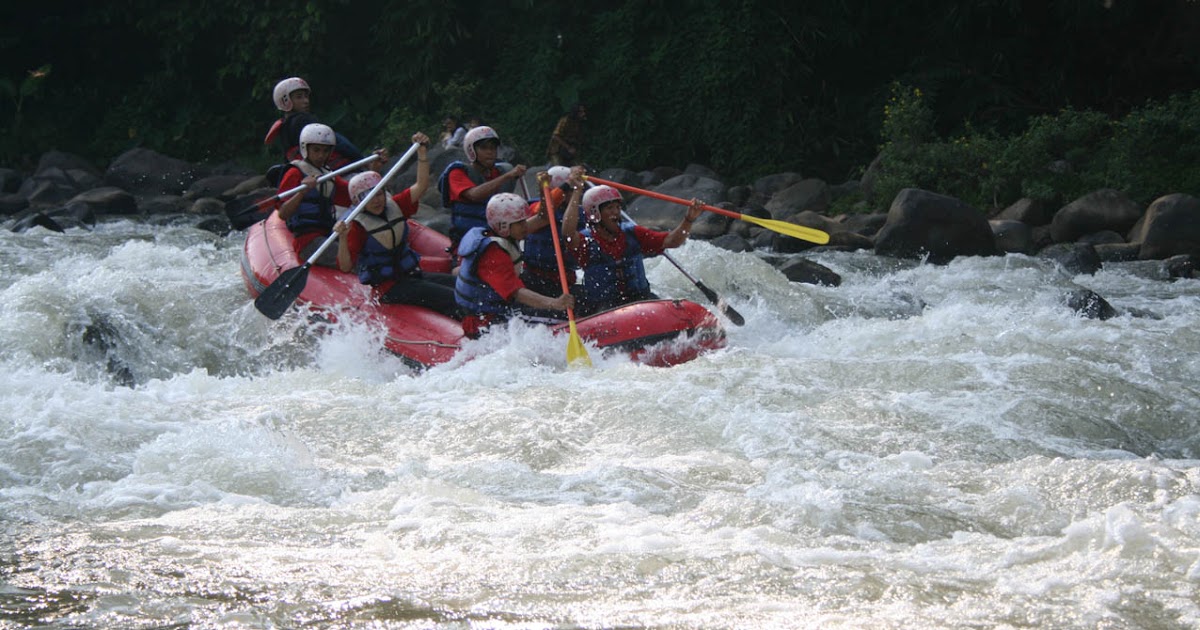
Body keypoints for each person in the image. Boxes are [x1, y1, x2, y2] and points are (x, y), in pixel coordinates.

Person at [330, 132, 460, 319]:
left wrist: (422, 153)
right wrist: (342, 238)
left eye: (379, 194)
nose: (376, 200)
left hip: (411, 275)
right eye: (368, 197)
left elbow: (421, 186)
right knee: (453, 298)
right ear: (358, 201)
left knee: (463, 286)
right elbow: (345, 266)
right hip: (389, 289)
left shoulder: (394, 205)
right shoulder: (356, 226)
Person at [561, 184, 703, 315]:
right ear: (594, 213)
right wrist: (576, 191)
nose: (616, 212)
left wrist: (689, 219)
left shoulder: (632, 233)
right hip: (604, 308)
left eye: (618, 207)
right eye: (610, 208)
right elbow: (567, 234)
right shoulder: (585, 242)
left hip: (641, 299)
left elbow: (672, 241)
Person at [455, 192, 574, 339]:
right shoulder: (492, 254)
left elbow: (543, 218)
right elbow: (517, 293)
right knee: (563, 318)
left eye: (524, 221)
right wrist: (555, 303)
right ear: (503, 226)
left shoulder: (506, 232)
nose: (525, 226)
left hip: (498, 309)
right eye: (520, 223)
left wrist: (564, 188)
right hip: (485, 321)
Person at [276, 123, 378, 267]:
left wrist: (374, 170)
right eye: (316, 150)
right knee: (353, 260)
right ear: (305, 149)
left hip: (329, 234)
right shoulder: (294, 173)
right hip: (308, 242)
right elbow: (283, 214)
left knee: (367, 249)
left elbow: (355, 196)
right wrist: (301, 192)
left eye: (325, 151)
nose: (321, 155)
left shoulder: (328, 176)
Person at [436, 125, 528, 250]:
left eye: (493, 148)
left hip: (502, 239)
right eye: (484, 148)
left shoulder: (502, 171)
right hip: (469, 243)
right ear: (471, 151)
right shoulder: (457, 172)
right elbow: (474, 195)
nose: (490, 152)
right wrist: (507, 176)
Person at [266, 76, 378, 171]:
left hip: (310, 171)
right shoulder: (303, 119)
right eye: (299, 97)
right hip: (330, 169)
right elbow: (336, 141)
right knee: (332, 135)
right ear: (285, 100)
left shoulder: (283, 127)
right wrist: (360, 159)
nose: (306, 101)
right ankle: (364, 162)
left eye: (306, 96)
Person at [521, 166, 586, 300]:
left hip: (564, 278)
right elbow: (544, 212)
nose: (569, 194)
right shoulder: (536, 207)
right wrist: (567, 183)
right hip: (533, 277)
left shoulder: (576, 213)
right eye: (567, 190)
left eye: (571, 191)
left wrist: (576, 190)